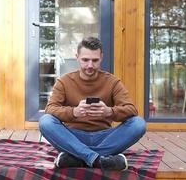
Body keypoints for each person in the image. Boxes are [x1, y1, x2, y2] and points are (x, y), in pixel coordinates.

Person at [39, 36, 146, 171]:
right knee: (45, 121)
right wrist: (74, 112)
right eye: (85, 60)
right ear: (77, 57)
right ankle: (98, 159)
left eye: (95, 60)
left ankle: (79, 157)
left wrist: (109, 112)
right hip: (72, 136)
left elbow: (131, 110)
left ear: (101, 57)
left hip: (105, 137)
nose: (90, 65)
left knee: (138, 123)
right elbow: (50, 109)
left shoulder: (113, 82)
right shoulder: (64, 81)